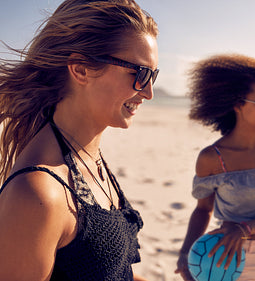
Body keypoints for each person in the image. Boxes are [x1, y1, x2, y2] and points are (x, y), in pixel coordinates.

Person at [0, 0, 158, 280]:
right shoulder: (38, 193)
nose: (148, 93)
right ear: (81, 69)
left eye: (153, 75)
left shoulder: (86, 155)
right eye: (140, 74)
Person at [174, 54, 255, 281]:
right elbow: (202, 210)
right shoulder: (212, 158)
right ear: (238, 104)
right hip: (232, 259)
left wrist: (244, 229)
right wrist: (184, 254)